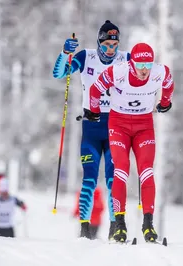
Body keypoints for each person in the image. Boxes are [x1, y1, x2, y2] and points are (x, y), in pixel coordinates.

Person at [87, 42, 174, 243]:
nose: (144, 69)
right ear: (131, 63)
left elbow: (169, 85)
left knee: (146, 171)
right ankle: (119, 224)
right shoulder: (117, 72)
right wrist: (94, 111)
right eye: (140, 64)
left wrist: (165, 103)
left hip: (144, 126)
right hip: (119, 126)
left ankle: (148, 224)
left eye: (148, 64)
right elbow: (95, 89)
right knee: (122, 169)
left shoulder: (160, 72)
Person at [53, 20, 130, 240]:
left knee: (113, 179)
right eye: (106, 45)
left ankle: (116, 228)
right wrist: (64, 52)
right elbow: (59, 74)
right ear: (99, 42)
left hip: (117, 125)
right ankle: (85, 230)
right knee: (89, 179)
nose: (110, 51)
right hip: (92, 126)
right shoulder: (86, 57)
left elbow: (146, 71)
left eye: (114, 46)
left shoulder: (125, 59)